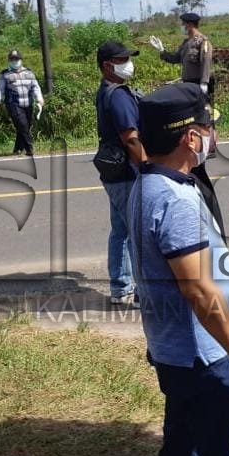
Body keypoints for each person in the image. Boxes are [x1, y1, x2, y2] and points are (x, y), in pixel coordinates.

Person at [129, 82, 229, 456]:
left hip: (176, 352)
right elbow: (198, 290)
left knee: (182, 447)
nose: (213, 136)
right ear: (190, 137)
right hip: (206, 356)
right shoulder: (175, 199)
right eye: (208, 127)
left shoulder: (147, 183)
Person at [150, 14, 224, 236]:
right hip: (186, 88)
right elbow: (175, 58)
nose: (182, 27)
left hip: (198, 89)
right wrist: (161, 51)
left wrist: (203, 84)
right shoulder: (186, 44)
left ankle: (205, 149)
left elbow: (206, 64)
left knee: (202, 124)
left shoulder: (203, 42)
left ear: (190, 24)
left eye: (184, 24)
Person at [94, 41, 146, 306]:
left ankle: (120, 287)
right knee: (138, 232)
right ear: (107, 65)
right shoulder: (119, 95)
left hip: (111, 170)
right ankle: (140, 293)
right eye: (122, 59)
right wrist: (147, 166)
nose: (128, 63)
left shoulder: (105, 90)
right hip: (126, 170)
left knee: (120, 231)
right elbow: (131, 138)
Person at [0, 49, 44, 156]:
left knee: (26, 126)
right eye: (12, 59)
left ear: (21, 59)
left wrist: (39, 98)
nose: (14, 61)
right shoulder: (5, 74)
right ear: (9, 60)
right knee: (22, 124)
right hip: (13, 104)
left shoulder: (29, 72)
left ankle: (17, 148)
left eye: (16, 59)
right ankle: (29, 148)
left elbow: (35, 87)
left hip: (28, 104)